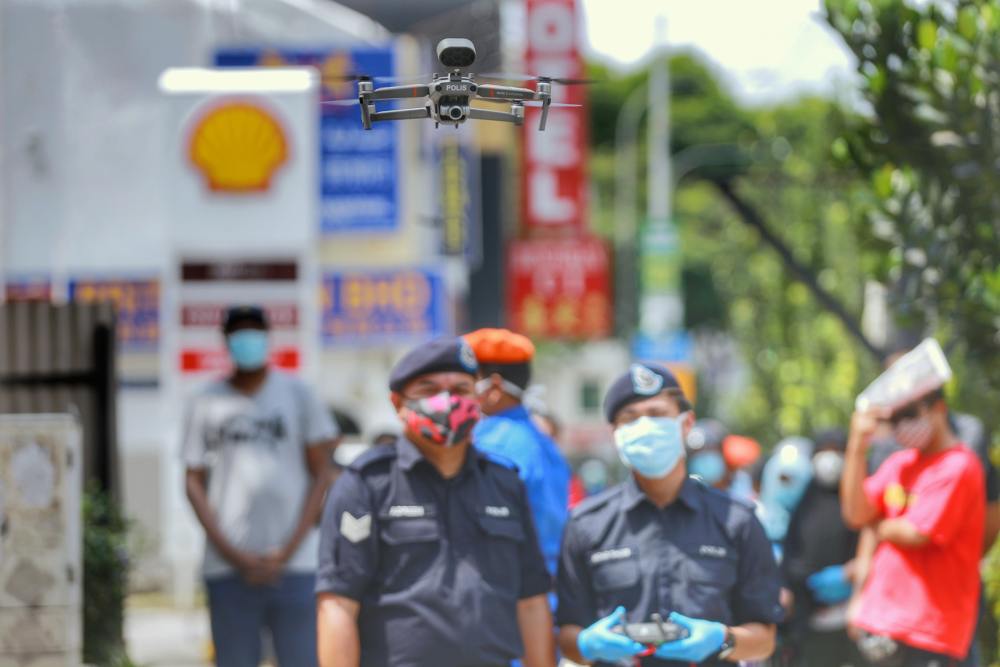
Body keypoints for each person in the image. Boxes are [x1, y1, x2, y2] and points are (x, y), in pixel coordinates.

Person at [315, 336, 556, 667]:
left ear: (478, 397)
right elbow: (338, 604)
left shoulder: (504, 483)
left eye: (460, 389)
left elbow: (531, 601)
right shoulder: (366, 484)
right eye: (429, 390)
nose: (447, 401)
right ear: (398, 402)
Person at [556, 362, 783, 666]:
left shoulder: (737, 520)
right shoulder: (586, 524)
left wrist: (722, 639)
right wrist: (586, 645)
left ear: (686, 423)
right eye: (631, 418)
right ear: (615, 433)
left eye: (657, 414)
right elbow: (567, 634)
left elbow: (765, 639)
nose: (645, 426)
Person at [181, 305, 340, 667]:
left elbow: (322, 473)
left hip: (297, 565)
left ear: (267, 338)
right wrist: (234, 555)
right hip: (226, 569)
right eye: (239, 332)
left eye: (254, 330)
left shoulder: (298, 394)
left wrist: (286, 551)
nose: (247, 339)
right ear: (226, 340)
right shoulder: (206, 400)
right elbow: (192, 481)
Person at [841, 387, 985, 666]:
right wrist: (857, 446)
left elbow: (915, 533)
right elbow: (856, 514)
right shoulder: (899, 464)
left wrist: (877, 523)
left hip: (931, 632)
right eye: (895, 419)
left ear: (938, 408)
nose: (902, 425)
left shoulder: (959, 465)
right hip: (881, 622)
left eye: (909, 414)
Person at [464, 327, 571, 583]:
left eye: (463, 384)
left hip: (511, 586)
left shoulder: (490, 444)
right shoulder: (539, 438)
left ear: (494, 387)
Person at [781, 428, 863, 667]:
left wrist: (851, 573)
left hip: (854, 620)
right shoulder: (805, 502)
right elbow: (792, 555)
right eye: (823, 451)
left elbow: (874, 547)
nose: (830, 458)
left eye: (837, 451)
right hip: (810, 621)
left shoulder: (859, 500)